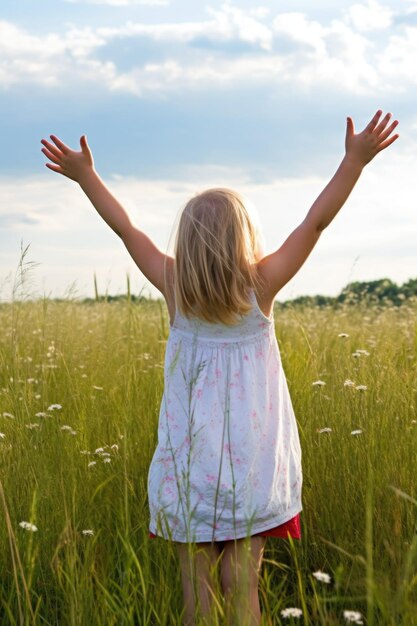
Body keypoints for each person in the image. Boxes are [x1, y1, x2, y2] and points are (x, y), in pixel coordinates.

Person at [41, 110, 399, 625]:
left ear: (186, 242)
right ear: (242, 237)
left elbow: (127, 229)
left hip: (189, 471)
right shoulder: (262, 286)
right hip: (251, 470)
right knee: (243, 585)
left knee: (197, 589)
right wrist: (353, 163)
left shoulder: (173, 285)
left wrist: (87, 178)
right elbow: (314, 223)